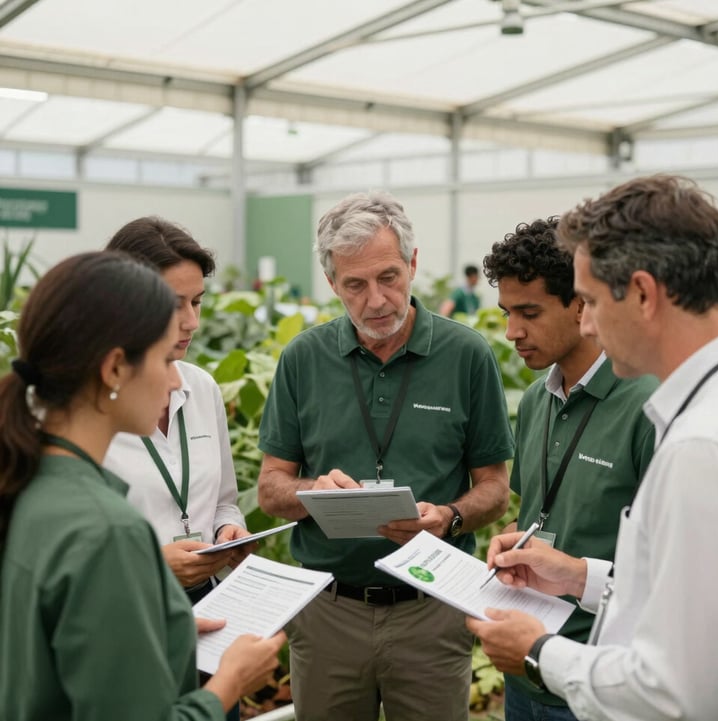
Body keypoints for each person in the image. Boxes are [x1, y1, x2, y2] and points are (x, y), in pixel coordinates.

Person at [467, 174, 718, 721]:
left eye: (592, 301)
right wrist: (580, 577)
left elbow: (679, 689)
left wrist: (539, 652)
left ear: (645, 295)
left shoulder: (705, 448)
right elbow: (700, 597)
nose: (590, 323)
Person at [257, 191, 514, 721]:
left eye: (389, 277)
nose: (376, 300)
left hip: (432, 611)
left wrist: (449, 517)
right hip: (329, 612)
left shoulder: (466, 355)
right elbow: (269, 488)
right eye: (355, 284)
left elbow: (495, 487)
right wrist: (312, 494)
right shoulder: (303, 359)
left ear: (413, 264)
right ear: (332, 284)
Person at [0, 251, 286, 720]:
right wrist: (231, 683)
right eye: (162, 357)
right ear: (114, 369)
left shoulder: (28, 487)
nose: (176, 379)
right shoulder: (108, 530)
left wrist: (162, 625)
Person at [482, 217, 657, 721]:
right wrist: (513, 544)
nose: (513, 332)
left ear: (581, 304)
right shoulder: (536, 400)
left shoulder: (648, 405)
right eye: (507, 313)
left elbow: (676, 575)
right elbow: (539, 514)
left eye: (529, 312)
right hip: (526, 671)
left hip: (600, 681)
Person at [103, 217, 252, 604]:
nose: (192, 321)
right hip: (127, 606)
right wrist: (151, 562)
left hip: (205, 598)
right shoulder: (84, 407)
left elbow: (223, 502)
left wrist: (228, 529)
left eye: (198, 301)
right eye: (174, 305)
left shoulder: (201, 388)